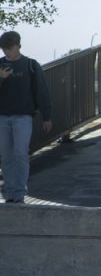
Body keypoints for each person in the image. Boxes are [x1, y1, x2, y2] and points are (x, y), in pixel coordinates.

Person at [0, 31, 52, 204]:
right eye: (4, 49)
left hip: (23, 117)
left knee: (20, 154)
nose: (7, 52)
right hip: (2, 118)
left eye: (10, 48)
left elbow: (42, 92)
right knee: (6, 157)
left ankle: (20, 193)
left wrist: (47, 116)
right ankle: (9, 193)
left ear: (18, 46)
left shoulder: (30, 65)